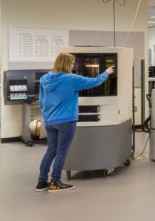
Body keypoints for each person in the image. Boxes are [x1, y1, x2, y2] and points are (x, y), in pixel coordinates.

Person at [35, 52, 114, 192]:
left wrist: (47, 116)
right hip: (66, 120)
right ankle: (55, 182)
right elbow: (94, 82)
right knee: (61, 152)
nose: (73, 65)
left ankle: (41, 182)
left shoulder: (44, 79)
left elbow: (41, 102)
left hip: (49, 121)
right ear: (66, 64)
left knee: (50, 151)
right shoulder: (71, 79)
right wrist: (106, 72)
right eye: (72, 63)